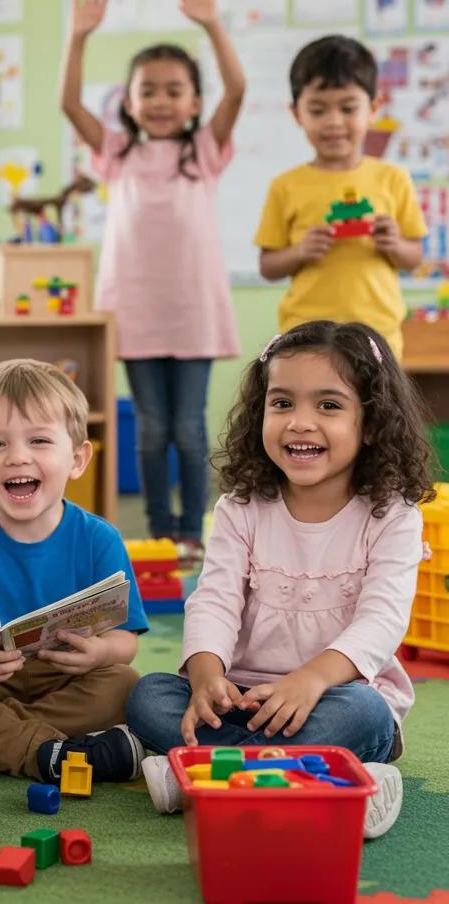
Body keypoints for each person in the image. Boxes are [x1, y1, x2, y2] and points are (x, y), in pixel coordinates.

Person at [127, 321, 435, 838]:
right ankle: (320, 779)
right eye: (282, 403)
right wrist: (206, 674)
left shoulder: (394, 515)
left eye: (329, 406)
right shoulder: (241, 507)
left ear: (374, 423)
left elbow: (382, 621)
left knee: (363, 715)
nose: (300, 423)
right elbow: (215, 599)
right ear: (261, 412)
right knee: (148, 695)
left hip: (335, 696)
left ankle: (203, 777)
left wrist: (311, 680)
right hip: (241, 697)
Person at [60, 0, 245, 557]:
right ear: (129, 101)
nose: (161, 101)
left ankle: (192, 531)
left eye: (174, 91)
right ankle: (159, 533)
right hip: (136, 310)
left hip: (192, 311)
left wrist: (212, 24)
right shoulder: (118, 153)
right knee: (151, 427)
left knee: (189, 428)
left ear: (193, 102)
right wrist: (78, 35)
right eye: (149, 91)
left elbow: (237, 88)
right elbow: (69, 104)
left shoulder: (203, 151)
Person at [0, 359, 149, 785]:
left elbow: (125, 640)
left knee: (127, 686)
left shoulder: (99, 539)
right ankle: (53, 751)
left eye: (40, 440)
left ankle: (5, 738)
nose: (17, 457)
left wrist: (99, 653)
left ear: (78, 459)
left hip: (66, 677)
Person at [256, 36, 425, 359]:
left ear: (373, 108)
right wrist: (301, 251)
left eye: (348, 108)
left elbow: (414, 257)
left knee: (377, 409)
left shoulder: (393, 178)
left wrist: (395, 245)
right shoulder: (285, 185)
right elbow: (268, 265)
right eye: (318, 110)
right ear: (296, 114)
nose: (334, 121)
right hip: (305, 333)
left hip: (379, 333)